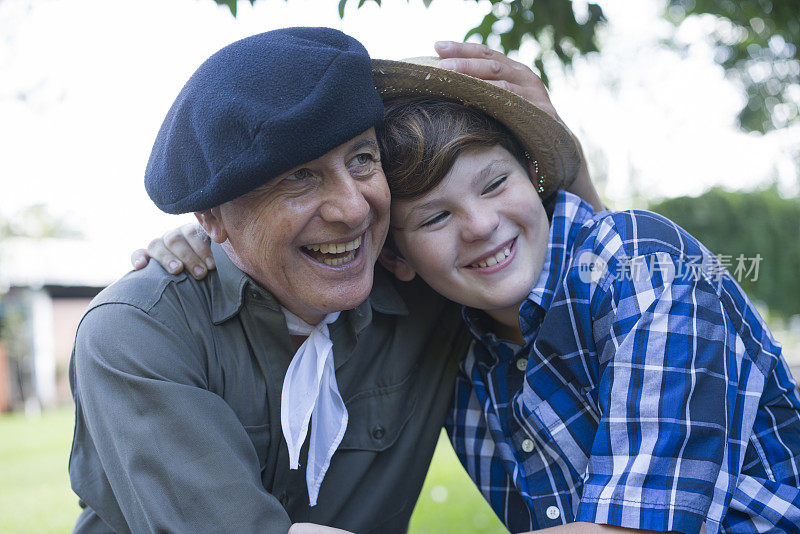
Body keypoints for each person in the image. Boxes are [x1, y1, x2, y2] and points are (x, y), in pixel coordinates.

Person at [145, 59, 800, 533]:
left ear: (533, 178)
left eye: (495, 184)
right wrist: (221, 235)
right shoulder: (457, 343)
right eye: (434, 218)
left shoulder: (649, 267)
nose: (481, 224)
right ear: (395, 257)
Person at [71, 28, 602, 534]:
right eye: (299, 176)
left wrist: (565, 163)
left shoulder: (424, 285)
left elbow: (605, 306)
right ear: (212, 217)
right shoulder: (139, 335)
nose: (353, 210)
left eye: (363, 159)